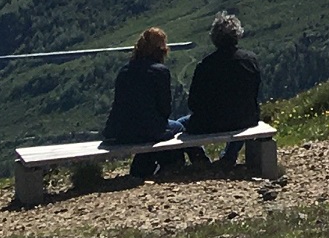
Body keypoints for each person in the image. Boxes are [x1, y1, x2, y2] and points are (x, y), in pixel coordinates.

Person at [182, 12, 263, 168]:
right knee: (239, 118)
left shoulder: (205, 66)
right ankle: (229, 156)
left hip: (210, 122)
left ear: (214, 37)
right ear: (237, 35)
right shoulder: (250, 60)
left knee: (180, 124)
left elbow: (193, 103)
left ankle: (199, 159)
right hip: (245, 118)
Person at [101, 27, 179, 179]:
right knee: (178, 126)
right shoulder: (160, 72)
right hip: (147, 130)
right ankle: (186, 164)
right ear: (161, 50)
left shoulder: (124, 71)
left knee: (150, 130)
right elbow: (165, 110)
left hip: (119, 132)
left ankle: (146, 167)